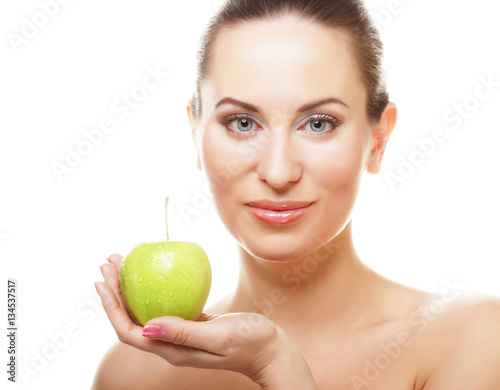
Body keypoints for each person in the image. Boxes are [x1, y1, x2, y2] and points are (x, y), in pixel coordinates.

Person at [92, 0, 500, 388]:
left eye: (319, 124)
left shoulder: (472, 341)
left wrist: (276, 363)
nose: (278, 171)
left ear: (378, 139)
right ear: (194, 133)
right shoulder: (133, 374)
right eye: (242, 123)